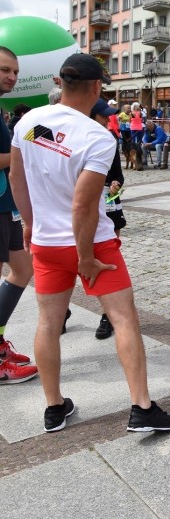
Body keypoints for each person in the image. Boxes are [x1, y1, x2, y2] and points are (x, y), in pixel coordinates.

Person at [9, 53, 170, 433]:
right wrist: (85, 257)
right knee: (124, 320)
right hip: (95, 246)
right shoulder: (97, 136)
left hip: (46, 243)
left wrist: (29, 225)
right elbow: (83, 205)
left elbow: (17, 181)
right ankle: (141, 407)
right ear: (96, 87)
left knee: (48, 323)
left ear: (61, 83)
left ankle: (54, 407)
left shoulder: (30, 123)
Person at [0, 46, 38, 385]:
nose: (12, 76)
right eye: (4, 70)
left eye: (15, 71)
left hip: (5, 205)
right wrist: (20, 151)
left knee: (22, 270)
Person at [90, 98, 126, 340]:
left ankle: (107, 316)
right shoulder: (79, 138)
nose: (107, 119)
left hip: (109, 201)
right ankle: (63, 311)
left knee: (109, 255)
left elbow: (118, 174)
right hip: (82, 204)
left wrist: (116, 184)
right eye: (103, 115)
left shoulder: (110, 138)